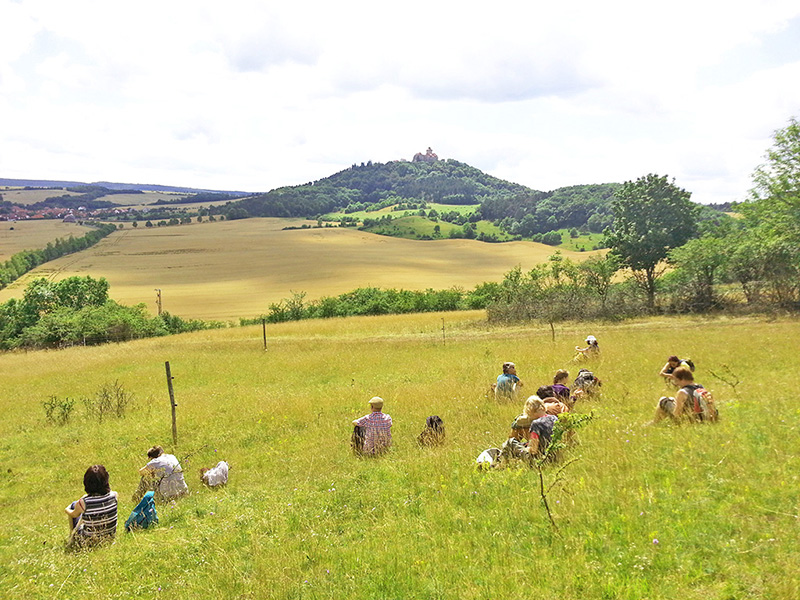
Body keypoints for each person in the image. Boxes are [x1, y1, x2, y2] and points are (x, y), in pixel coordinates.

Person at [65, 465, 118, 547]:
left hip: (89, 541)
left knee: (73, 505)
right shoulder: (114, 495)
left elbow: (73, 514)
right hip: (109, 537)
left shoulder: (83, 502)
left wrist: (66, 509)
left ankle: (72, 538)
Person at [650, 366, 718, 424]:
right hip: (702, 418)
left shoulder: (682, 392)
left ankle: (655, 422)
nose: (676, 384)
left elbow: (676, 414)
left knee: (663, 400)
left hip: (688, 419)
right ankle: (655, 422)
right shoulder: (701, 388)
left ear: (682, 379)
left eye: (676, 381)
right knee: (671, 400)